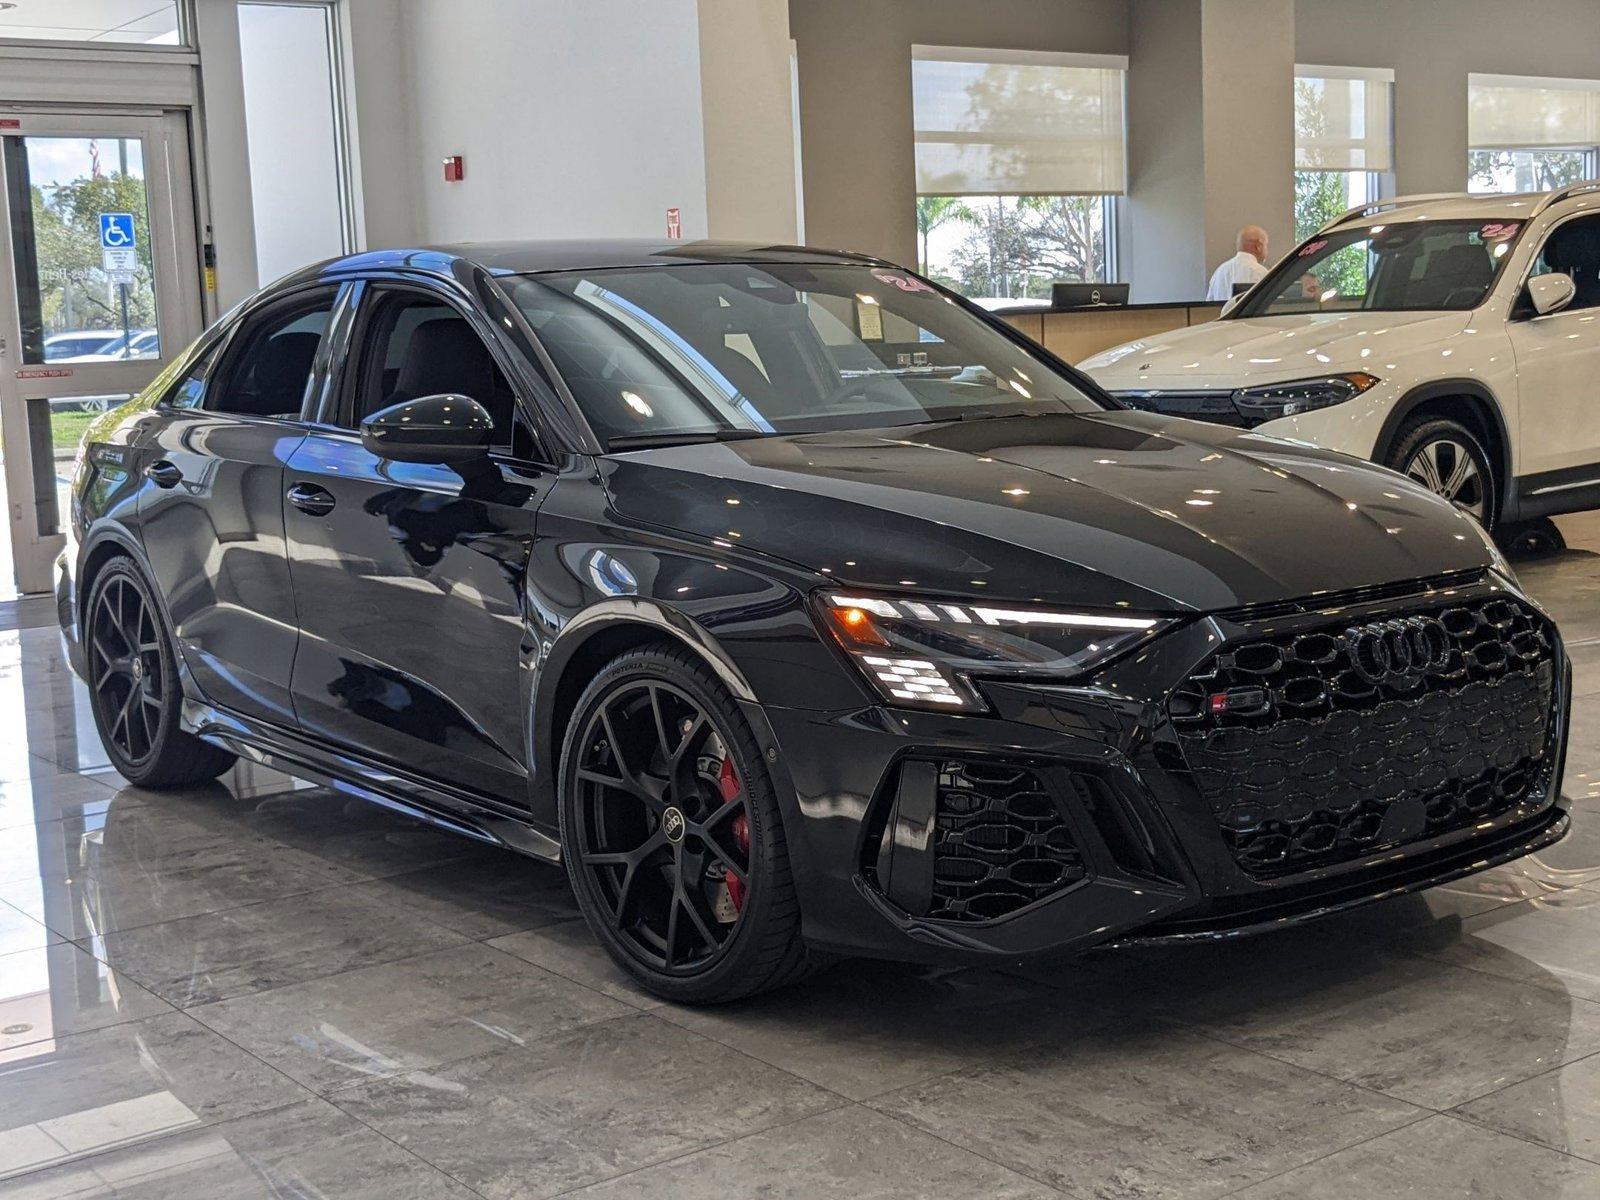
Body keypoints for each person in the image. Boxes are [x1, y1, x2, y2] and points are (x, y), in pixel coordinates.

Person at [1206, 225, 1270, 301]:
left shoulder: (1219, 272)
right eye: (1266, 245)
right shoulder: (1260, 272)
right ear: (1258, 246)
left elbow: (1209, 305)